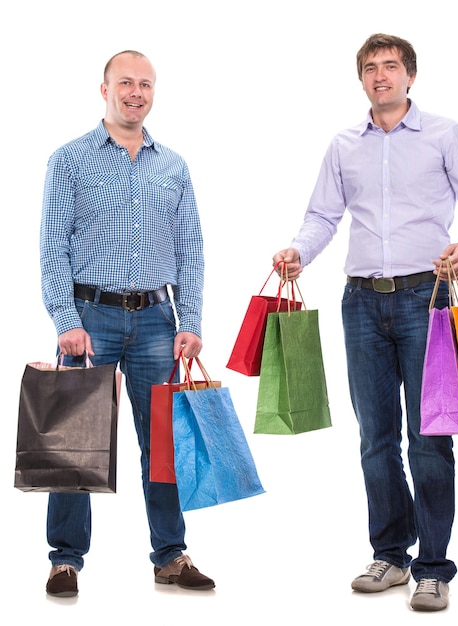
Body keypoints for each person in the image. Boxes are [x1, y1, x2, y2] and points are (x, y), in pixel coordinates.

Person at [273, 33, 458, 612]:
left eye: (390, 67)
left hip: (429, 300)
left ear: (410, 76)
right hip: (361, 303)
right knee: (376, 439)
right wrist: (300, 250)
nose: (380, 76)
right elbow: (323, 214)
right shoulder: (344, 145)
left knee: (430, 438)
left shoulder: (445, 134)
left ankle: (433, 567)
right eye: (370, 68)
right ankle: (391, 556)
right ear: (362, 79)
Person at [40, 50, 215, 597]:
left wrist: (192, 320)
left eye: (145, 84)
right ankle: (65, 559)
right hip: (91, 319)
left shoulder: (173, 166)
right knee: (76, 441)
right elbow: (52, 247)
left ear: (153, 92)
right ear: (104, 90)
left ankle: (170, 555)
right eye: (125, 83)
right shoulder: (69, 160)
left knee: (161, 441)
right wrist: (67, 319)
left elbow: (190, 248)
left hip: (159, 322)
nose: (135, 92)